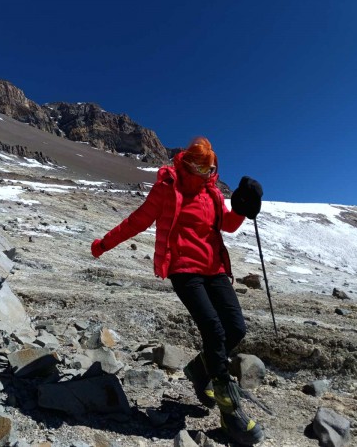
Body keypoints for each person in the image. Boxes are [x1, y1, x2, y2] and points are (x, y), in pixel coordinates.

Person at [91, 137, 264, 445]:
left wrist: (242, 207)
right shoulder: (168, 188)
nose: (203, 172)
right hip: (184, 270)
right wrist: (104, 244)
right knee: (213, 328)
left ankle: (199, 369)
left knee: (235, 328)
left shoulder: (211, 193)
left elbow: (227, 225)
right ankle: (230, 412)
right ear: (185, 163)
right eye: (197, 166)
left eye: (208, 167)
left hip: (215, 270)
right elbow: (137, 221)